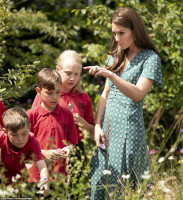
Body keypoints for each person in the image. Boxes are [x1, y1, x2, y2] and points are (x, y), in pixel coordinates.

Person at [84, 7, 163, 199]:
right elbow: (105, 94)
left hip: (128, 129)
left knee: (124, 186)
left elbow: (137, 94)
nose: (117, 38)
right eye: (114, 33)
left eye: (122, 33)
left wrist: (110, 73)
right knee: (99, 183)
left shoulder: (150, 58)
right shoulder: (115, 55)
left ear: (135, 30)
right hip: (107, 129)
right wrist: (97, 125)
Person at [27, 68, 78, 182]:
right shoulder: (31, 115)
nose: (55, 97)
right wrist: (43, 153)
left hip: (60, 175)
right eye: (49, 93)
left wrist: (68, 149)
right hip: (36, 176)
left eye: (58, 92)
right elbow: (24, 146)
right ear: (38, 91)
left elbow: (72, 143)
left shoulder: (67, 114)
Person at [32, 50, 95, 142]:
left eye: (76, 74)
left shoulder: (83, 97)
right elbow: (31, 124)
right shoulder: (46, 93)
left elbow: (93, 133)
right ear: (58, 70)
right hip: (48, 145)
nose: (72, 78)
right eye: (68, 73)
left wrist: (82, 123)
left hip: (75, 148)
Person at [0, 107, 49, 196]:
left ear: (29, 127)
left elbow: (42, 166)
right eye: (14, 135)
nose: (20, 139)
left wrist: (44, 182)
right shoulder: (1, 139)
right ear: (5, 131)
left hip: (20, 185)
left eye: (24, 134)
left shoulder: (32, 141)